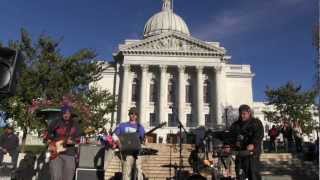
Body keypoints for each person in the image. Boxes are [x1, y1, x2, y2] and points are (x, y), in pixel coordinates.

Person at [229, 104, 264, 180]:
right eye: (241, 114)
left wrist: (253, 144)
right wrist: (229, 145)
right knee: (239, 173)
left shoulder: (256, 122)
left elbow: (259, 135)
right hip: (240, 153)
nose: (242, 116)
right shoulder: (236, 125)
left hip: (252, 153)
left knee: (253, 173)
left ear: (249, 113)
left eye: (244, 114)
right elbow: (230, 136)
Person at [47, 106, 81, 180]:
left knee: (68, 177)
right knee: (55, 177)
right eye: (64, 113)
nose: (66, 115)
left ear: (71, 114)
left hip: (70, 154)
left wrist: (72, 141)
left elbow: (78, 139)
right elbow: (47, 136)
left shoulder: (75, 124)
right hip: (55, 154)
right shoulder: (55, 122)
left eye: (68, 113)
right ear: (61, 113)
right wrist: (50, 145)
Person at [112, 107, 145, 180]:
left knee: (139, 172)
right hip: (126, 153)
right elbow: (114, 135)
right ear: (129, 114)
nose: (133, 115)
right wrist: (118, 143)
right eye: (131, 113)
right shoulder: (122, 125)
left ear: (137, 116)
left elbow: (142, 139)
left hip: (137, 153)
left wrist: (143, 140)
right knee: (126, 173)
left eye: (135, 114)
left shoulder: (140, 127)